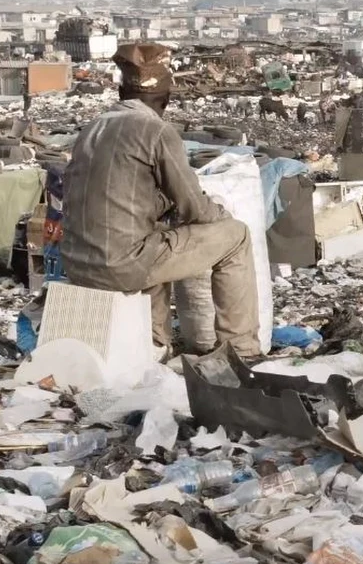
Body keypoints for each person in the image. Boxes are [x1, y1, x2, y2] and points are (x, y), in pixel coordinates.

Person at [61, 43, 260, 357]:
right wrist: (222, 215)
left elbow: (114, 200)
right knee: (236, 237)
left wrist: (161, 206)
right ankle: (242, 350)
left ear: (121, 94)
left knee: (154, 237)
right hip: (120, 266)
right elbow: (195, 208)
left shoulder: (93, 129)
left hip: (77, 265)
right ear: (165, 100)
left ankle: (155, 345)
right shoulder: (155, 130)